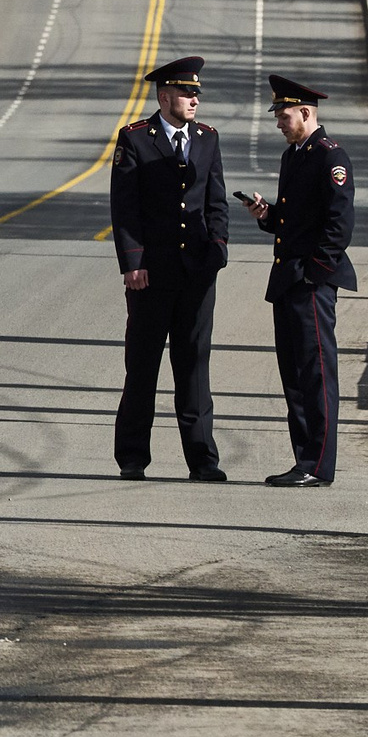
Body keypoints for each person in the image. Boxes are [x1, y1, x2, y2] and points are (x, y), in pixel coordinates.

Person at [108, 57, 229, 483]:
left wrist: (217, 251)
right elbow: (124, 208)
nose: (194, 99)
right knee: (142, 366)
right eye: (186, 93)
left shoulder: (208, 139)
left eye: (196, 93)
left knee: (194, 366)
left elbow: (216, 202)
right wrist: (133, 262)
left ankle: (203, 460)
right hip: (151, 275)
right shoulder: (136, 139)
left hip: (196, 274)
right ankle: (132, 457)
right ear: (164, 97)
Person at [244, 75, 358, 487]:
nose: (278, 122)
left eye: (283, 114)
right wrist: (267, 215)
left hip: (310, 281)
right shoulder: (294, 156)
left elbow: (338, 226)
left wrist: (314, 275)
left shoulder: (331, 157)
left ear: (305, 113)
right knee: (293, 374)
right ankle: (303, 460)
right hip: (287, 278)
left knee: (317, 372)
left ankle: (318, 465)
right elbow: (293, 220)